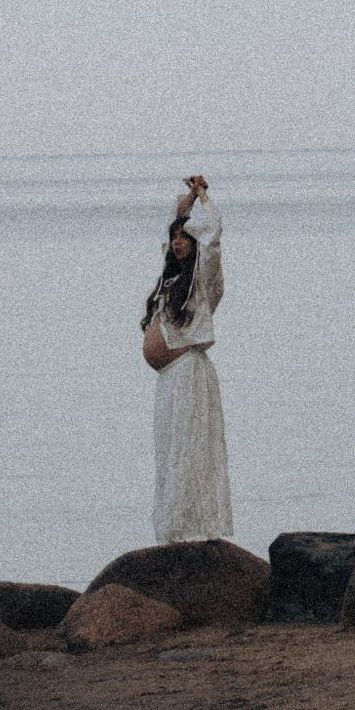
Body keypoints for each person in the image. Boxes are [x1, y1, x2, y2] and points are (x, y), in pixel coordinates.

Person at [140, 173, 231, 543]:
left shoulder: (203, 280)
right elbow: (175, 222)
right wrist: (188, 202)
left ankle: (191, 529)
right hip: (170, 379)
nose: (178, 243)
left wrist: (203, 194)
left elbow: (212, 235)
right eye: (175, 238)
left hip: (188, 374)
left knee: (189, 449)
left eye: (185, 238)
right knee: (170, 451)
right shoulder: (172, 280)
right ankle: (172, 528)